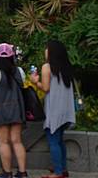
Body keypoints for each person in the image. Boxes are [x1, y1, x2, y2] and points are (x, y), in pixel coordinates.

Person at [30, 39, 76, 178]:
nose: (45, 51)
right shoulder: (66, 67)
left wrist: (35, 81)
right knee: (60, 140)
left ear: (51, 52)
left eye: (47, 48)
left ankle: (58, 173)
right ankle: (62, 169)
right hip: (66, 110)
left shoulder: (47, 67)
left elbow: (45, 88)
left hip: (54, 109)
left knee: (53, 141)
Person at [0, 43, 28, 178]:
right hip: (17, 109)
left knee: (4, 142)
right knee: (17, 141)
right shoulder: (19, 71)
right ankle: (22, 173)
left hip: (0, 110)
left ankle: (7, 173)